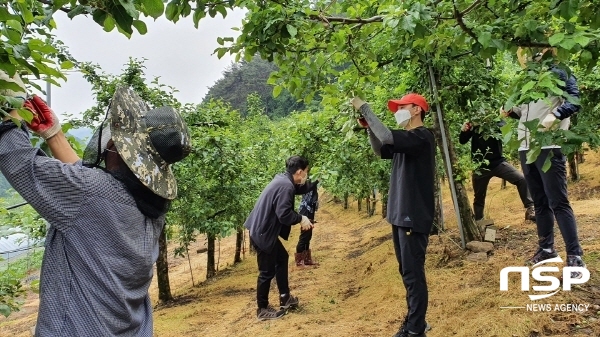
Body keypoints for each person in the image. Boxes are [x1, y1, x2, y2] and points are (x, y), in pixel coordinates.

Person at [0, 74, 191, 336]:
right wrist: (54, 135)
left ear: (121, 150)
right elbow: (87, 192)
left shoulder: (90, 192)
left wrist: (12, 108)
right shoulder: (152, 208)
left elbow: (19, 162)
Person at [352, 93, 435, 337]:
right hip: (400, 215)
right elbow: (381, 148)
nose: (398, 110)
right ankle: (414, 321)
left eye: (403, 106)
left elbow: (387, 135)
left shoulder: (422, 136)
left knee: (413, 273)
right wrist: (369, 129)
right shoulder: (406, 140)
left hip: (413, 215)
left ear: (417, 110)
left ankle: (416, 329)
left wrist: (365, 108)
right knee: (406, 272)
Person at [502, 48, 586, 276]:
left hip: (549, 146)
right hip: (525, 147)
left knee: (558, 201)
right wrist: (512, 112)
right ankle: (546, 248)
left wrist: (556, 116)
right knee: (539, 202)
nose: (528, 58)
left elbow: (574, 101)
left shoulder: (560, 71)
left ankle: (575, 256)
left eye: (532, 53)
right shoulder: (526, 81)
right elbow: (528, 113)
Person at [244, 156, 317, 320]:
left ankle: (285, 298)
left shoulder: (285, 180)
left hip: (263, 230)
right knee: (266, 272)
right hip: (263, 233)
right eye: (306, 172)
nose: (306, 175)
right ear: (299, 172)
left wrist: (317, 179)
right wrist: (301, 218)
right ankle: (262, 309)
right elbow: (284, 215)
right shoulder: (285, 187)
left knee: (282, 258)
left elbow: (299, 188)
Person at [459, 120, 535, 221]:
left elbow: (505, 129)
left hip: (498, 163)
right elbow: (462, 140)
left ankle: (530, 209)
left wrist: (493, 122)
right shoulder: (474, 124)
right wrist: (464, 130)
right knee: (479, 197)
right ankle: (479, 221)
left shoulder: (497, 121)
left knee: (521, 179)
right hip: (480, 167)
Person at [295, 183, 319, 266]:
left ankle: (306, 259)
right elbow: (312, 184)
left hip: (309, 211)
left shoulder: (311, 187)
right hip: (306, 212)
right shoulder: (308, 184)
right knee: (304, 237)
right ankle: (299, 260)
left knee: (308, 236)